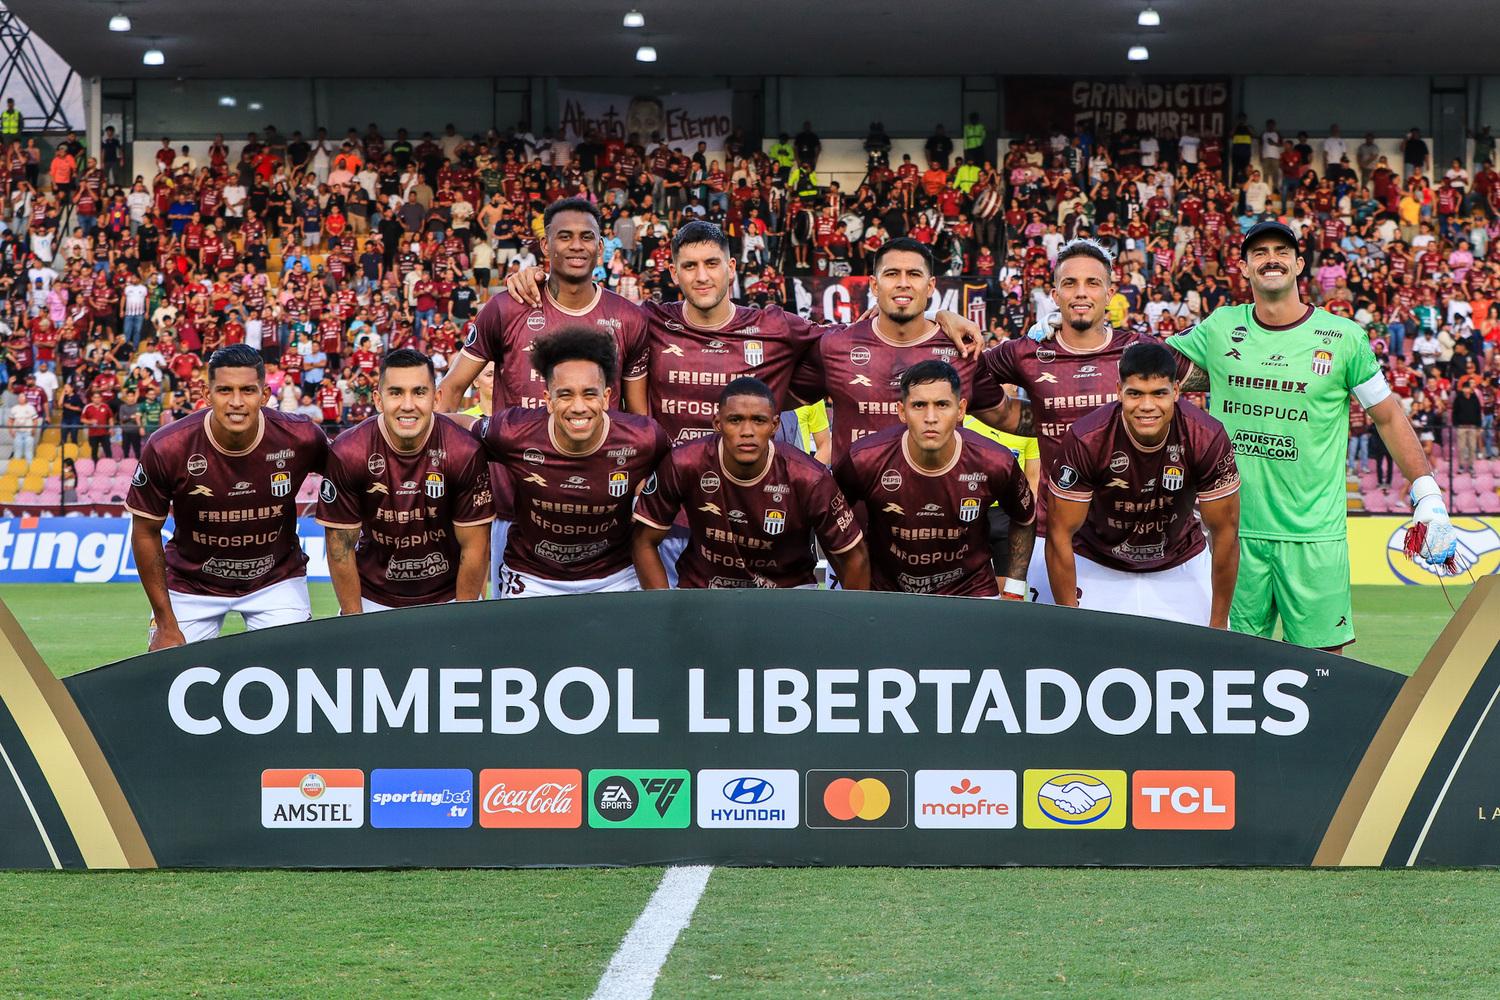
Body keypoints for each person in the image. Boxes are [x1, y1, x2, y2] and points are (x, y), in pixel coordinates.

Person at [1166, 220, 1465, 651]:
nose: (1272, 259)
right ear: (1243, 268)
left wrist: (1428, 494)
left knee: (1324, 673)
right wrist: (1072, 335)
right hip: (1233, 533)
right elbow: (1150, 364)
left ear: (1299, 264)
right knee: (1229, 671)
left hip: (1314, 537)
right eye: (1260, 252)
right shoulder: (1219, 327)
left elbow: (1387, 416)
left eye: (1281, 251)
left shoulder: (1344, 338)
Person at [436, 197, 650, 596]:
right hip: (510, 511)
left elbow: (640, 422)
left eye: (587, 237)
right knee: (516, 646)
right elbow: (449, 392)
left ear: (601, 246)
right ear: (544, 246)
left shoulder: (629, 318)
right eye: (563, 236)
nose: (576, 246)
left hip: (605, 516)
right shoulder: (506, 308)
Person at [985, 238, 1191, 603]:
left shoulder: (1140, 350)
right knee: (1059, 653)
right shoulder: (1027, 352)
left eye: (1092, 283)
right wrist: (943, 318)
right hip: (1057, 537)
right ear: (1055, 294)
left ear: (1110, 292)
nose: (1081, 293)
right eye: (1070, 284)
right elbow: (960, 374)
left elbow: (1211, 373)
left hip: (1133, 538)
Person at [125, 344, 330, 649]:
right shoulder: (167, 447)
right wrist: (166, 622)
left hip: (275, 578)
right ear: (206, 393)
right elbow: (144, 533)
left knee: (293, 670)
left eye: (248, 390)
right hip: (190, 583)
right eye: (224, 390)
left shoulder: (300, 437)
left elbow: (351, 476)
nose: (237, 402)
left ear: (265, 394)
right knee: (166, 677)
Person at [1045, 342, 1241, 628]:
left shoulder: (1206, 436)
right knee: (1089, 658)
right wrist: (1069, 621)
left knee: (1198, 660)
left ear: (1176, 391)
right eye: (1135, 394)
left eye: (1159, 393)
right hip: (1099, 561)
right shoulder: (1087, 438)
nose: (1147, 406)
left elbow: (1224, 533)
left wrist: (1219, 623)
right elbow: (1059, 533)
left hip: (1180, 559)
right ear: (1118, 391)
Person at [470, 327, 668, 597]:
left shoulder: (644, 438)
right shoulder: (512, 431)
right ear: (547, 401)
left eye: (589, 394)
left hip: (615, 576)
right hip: (533, 576)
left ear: (607, 398)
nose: (578, 407)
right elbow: (457, 428)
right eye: (565, 395)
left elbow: (678, 474)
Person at [633, 376, 869, 590]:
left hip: (788, 595)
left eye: (758, 420)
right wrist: (664, 609)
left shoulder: (809, 477)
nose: (747, 431)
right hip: (704, 592)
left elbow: (855, 557)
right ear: (717, 423)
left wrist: (848, 627)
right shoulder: (683, 463)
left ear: (774, 426)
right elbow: (643, 540)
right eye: (735, 420)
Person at [791, 238, 1003, 466]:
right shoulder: (835, 346)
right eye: (892, 274)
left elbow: (1007, 414)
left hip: (939, 498)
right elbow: (771, 401)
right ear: (874, 285)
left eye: (913, 274)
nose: (903, 283)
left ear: (930, 285)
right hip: (852, 501)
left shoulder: (961, 349)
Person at [835, 360, 1035, 597]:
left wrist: (1014, 588)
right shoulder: (863, 459)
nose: (931, 417)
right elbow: (829, 517)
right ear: (902, 411)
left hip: (971, 590)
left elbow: (1024, 519)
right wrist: (855, 578)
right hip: (887, 591)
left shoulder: (995, 461)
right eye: (919, 405)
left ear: (960, 410)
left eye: (942, 405)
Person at [316, 348, 494, 613]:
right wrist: (354, 622)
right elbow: (340, 548)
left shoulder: (464, 451)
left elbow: (475, 546)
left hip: (448, 596)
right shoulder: (349, 451)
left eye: (419, 392)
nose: (408, 405)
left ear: (437, 398)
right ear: (378, 399)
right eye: (396, 392)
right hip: (372, 595)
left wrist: (462, 619)